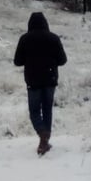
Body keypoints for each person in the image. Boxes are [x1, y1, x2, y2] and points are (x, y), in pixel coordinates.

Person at [14, 12, 67, 156]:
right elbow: (63, 60)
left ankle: (42, 135)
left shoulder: (24, 39)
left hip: (33, 80)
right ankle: (45, 140)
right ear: (45, 23)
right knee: (47, 109)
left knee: (34, 111)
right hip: (50, 79)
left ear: (30, 24)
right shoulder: (53, 38)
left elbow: (17, 61)